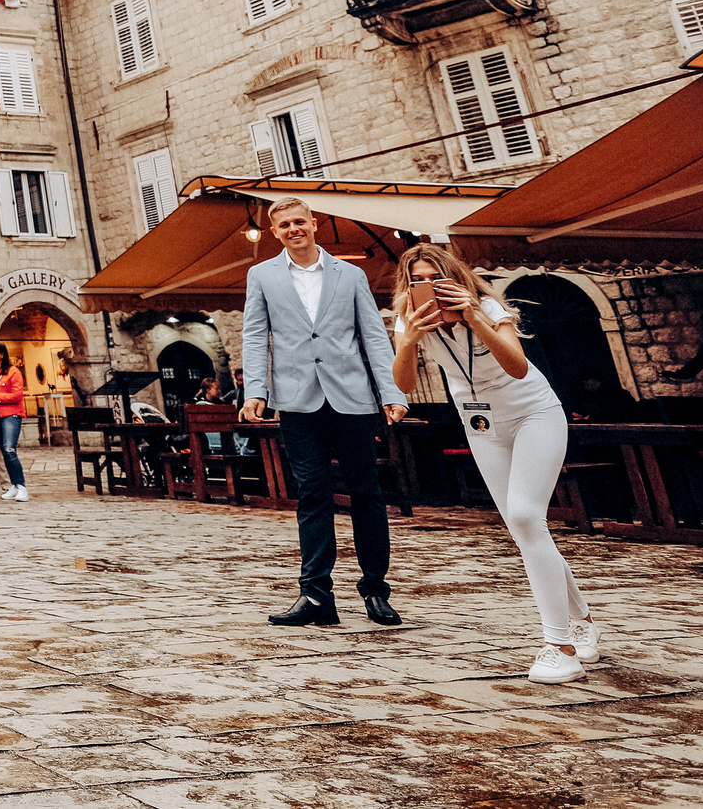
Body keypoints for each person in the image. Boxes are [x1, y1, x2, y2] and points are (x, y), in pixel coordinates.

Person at [392, 243, 600, 683]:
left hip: (534, 412)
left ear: (453, 278)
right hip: (483, 425)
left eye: (435, 278)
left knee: (526, 516)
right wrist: (409, 339)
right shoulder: (410, 322)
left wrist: (475, 319)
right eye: (417, 281)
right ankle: (581, 618)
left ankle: (559, 645)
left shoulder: (485, 306)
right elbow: (405, 384)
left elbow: (518, 366)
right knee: (523, 527)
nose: (428, 288)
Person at [240, 197, 409, 628]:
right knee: (312, 494)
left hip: (352, 397)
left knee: (366, 493)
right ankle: (316, 595)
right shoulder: (262, 275)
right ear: (275, 232)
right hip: (297, 400)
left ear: (314, 225)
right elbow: (256, 337)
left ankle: (376, 591)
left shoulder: (349, 274)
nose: (294, 229)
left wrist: (390, 391)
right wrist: (255, 391)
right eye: (285, 225)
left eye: (300, 222)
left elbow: (373, 335)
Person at [0, 341, 28, 501]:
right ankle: (14, 486)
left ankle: (22, 487)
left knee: (10, 449)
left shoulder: (13, 372)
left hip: (11, 415)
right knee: (4, 452)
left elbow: (17, 395)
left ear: (2, 354)